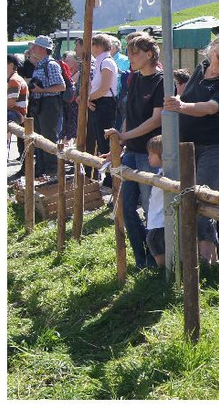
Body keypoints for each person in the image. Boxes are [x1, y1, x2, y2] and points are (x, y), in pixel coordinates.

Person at [164, 33, 219, 265]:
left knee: (202, 198)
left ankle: (208, 259)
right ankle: (191, 255)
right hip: (187, 144)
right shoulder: (201, 69)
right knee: (184, 196)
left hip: (215, 147)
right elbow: (189, 96)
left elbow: (211, 107)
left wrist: (181, 106)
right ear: (210, 53)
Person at [103, 34, 163, 270]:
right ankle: (141, 259)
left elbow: (156, 119)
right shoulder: (135, 78)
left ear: (149, 54)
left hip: (150, 154)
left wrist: (125, 136)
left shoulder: (161, 81)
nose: (130, 58)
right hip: (131, 151)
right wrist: (121, 140)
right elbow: (129, 114)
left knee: (150, 209)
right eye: (129, 53)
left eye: (135, 53)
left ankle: (157, 258)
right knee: (125, 207)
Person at [26, 36, 65, 177]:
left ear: (42, 49)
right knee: (38, 135)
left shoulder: (51, 65)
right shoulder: (40, 64)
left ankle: (52, 169)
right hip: (40, 104)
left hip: (49, 103)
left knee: (48, 136)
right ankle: (41, 168)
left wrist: (41, 90)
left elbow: (61, 86)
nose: (32, 49)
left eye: (35, 46)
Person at [86, 33, 120, 181]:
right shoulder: (100, 62)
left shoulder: (106, 62)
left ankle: (111, 178)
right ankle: (107, 176)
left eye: (92, 45)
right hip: (99, 102)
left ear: (99, 46)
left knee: (106, 141)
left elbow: (104, 88)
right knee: (101, 141)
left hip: (106, 103)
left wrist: (89, 98)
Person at [144, 135, 167, 267]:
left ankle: (164, 272)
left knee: (155, 244)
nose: (148, 157)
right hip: (156, 220)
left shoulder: (166, 175)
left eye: (152, 154)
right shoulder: (160, 172)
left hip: (160, 221)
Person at [60, 53, 79, 145]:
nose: (65, 62)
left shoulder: (79, 73)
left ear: (75, 62)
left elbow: (71, 84)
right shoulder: (67, 73)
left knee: (72, 130)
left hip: (74, 105)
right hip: (66, 104)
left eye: (67, 61)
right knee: (65, 130)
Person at [8, 54, 28, 126]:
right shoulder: (14, 79)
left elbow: (10, 104)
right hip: (16, 113)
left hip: (16, 113)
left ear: (11, 65)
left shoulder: (14, 80)